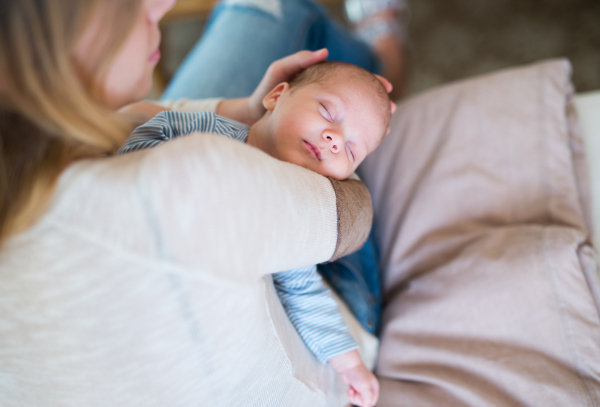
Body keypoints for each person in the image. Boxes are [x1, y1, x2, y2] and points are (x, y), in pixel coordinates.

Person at [0, 0, 401, 404]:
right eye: (129, 5)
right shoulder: (206, 184)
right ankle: (387, 56)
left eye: (350, 148)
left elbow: (147, 119)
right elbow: (341, 230)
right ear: (276, 97)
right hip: (325, 291)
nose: (165, 3)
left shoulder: (40, 159)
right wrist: (349, 362)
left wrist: (249, 109)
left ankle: (371, 78)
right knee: (283, 11)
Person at [118, 61, 394, 406]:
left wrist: (351, 365)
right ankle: (377, 59)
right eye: (327, 111)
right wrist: (133, 178)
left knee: (363, 223)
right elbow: (159, 126)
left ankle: (377, 63)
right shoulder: (213, 133)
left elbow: (302, 288)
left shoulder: (291, 208)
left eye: (352, 150)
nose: (335, 139)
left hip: (336, 265)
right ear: (276, 95)